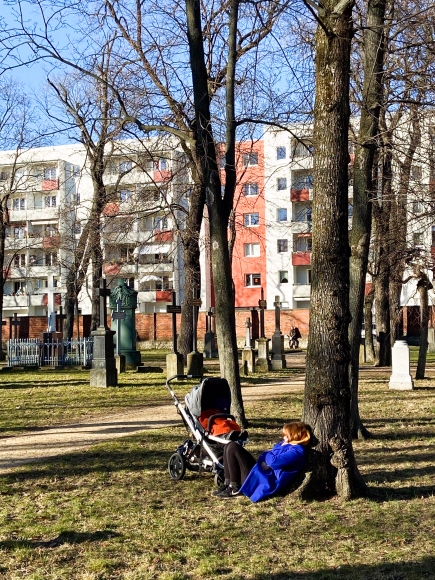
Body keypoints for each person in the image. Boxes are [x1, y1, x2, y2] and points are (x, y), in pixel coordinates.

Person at [213, 421, 311, 501]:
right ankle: (228, 484)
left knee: (233, 447)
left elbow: (273, 461)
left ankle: (235, 487)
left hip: (264, 481)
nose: (283, 438)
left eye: (286, 435)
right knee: (229, 445)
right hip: (261, 473)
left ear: (295, 435)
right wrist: (268, 456)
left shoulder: (297, 451)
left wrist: (270, 453)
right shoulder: (286, 446)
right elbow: (263, 457)